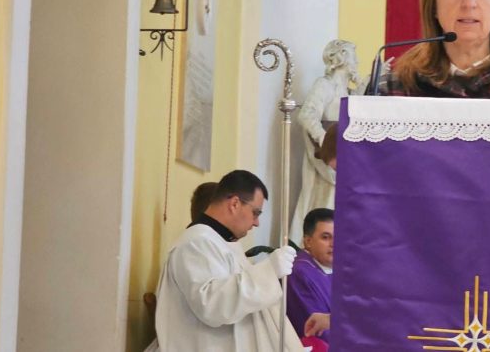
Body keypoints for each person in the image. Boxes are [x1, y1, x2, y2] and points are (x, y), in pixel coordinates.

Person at [152, 170, 304, 351]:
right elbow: (212, 305)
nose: (256, 223)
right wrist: (269, 270)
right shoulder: (195, 243)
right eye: (255, 213)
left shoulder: (224, 243)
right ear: (234, 204)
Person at [291, 40, 363, 245]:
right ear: (342, 57)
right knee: (322, 207)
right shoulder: (324, 85)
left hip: (340, 160)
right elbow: (306, 115)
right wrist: (326, 142)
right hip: (325, 160)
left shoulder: (346, 91)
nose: (357, 61)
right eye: (353, 56)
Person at [287, 208, 334, 340]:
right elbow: (318, 330)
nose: (334, 244)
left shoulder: (332, 267)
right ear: (308, 241)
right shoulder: (299, 273)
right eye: (326, 237)